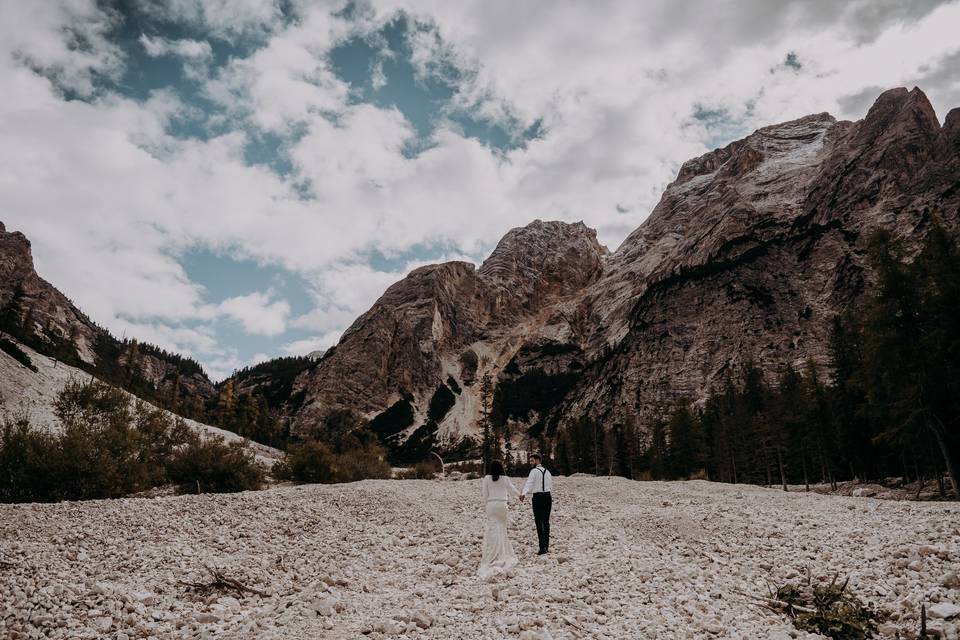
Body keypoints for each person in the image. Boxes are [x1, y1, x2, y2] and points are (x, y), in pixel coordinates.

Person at [478, 460, 520, 578]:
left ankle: (492, 554)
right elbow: (512, 490)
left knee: (492, 529)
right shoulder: (505, 478)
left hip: (491, 505)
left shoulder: (486, 478)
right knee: (502, 529)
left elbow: (484, 494)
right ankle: (501, 553)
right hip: (502, 505)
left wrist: (488, 503)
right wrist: (520, 495)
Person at [520, 453, 553, 555]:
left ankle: (542, 547)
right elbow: (550, 485)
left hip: (538, 497)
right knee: (546, 522)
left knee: (539, 522)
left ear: (538, 460)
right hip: (548, 497)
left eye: (533, 460)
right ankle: (546, 546)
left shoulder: (534, 471)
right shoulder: (548, 472)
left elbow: (529, 483)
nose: (531, 462)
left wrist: (523, 493)